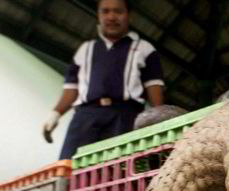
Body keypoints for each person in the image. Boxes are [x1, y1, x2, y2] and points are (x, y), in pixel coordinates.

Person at [43, 0, 165, 159]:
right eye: (105, 11)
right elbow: (71, 89)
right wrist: (55, 114)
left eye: (118, 11)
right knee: (71, 169)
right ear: (99, 16)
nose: (111, 17)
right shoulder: (85, 49)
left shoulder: (145, 48)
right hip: (85, 117)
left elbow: (154, 85)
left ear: (130, 16)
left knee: (118, 170)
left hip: (125, 117)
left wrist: (161, 119)